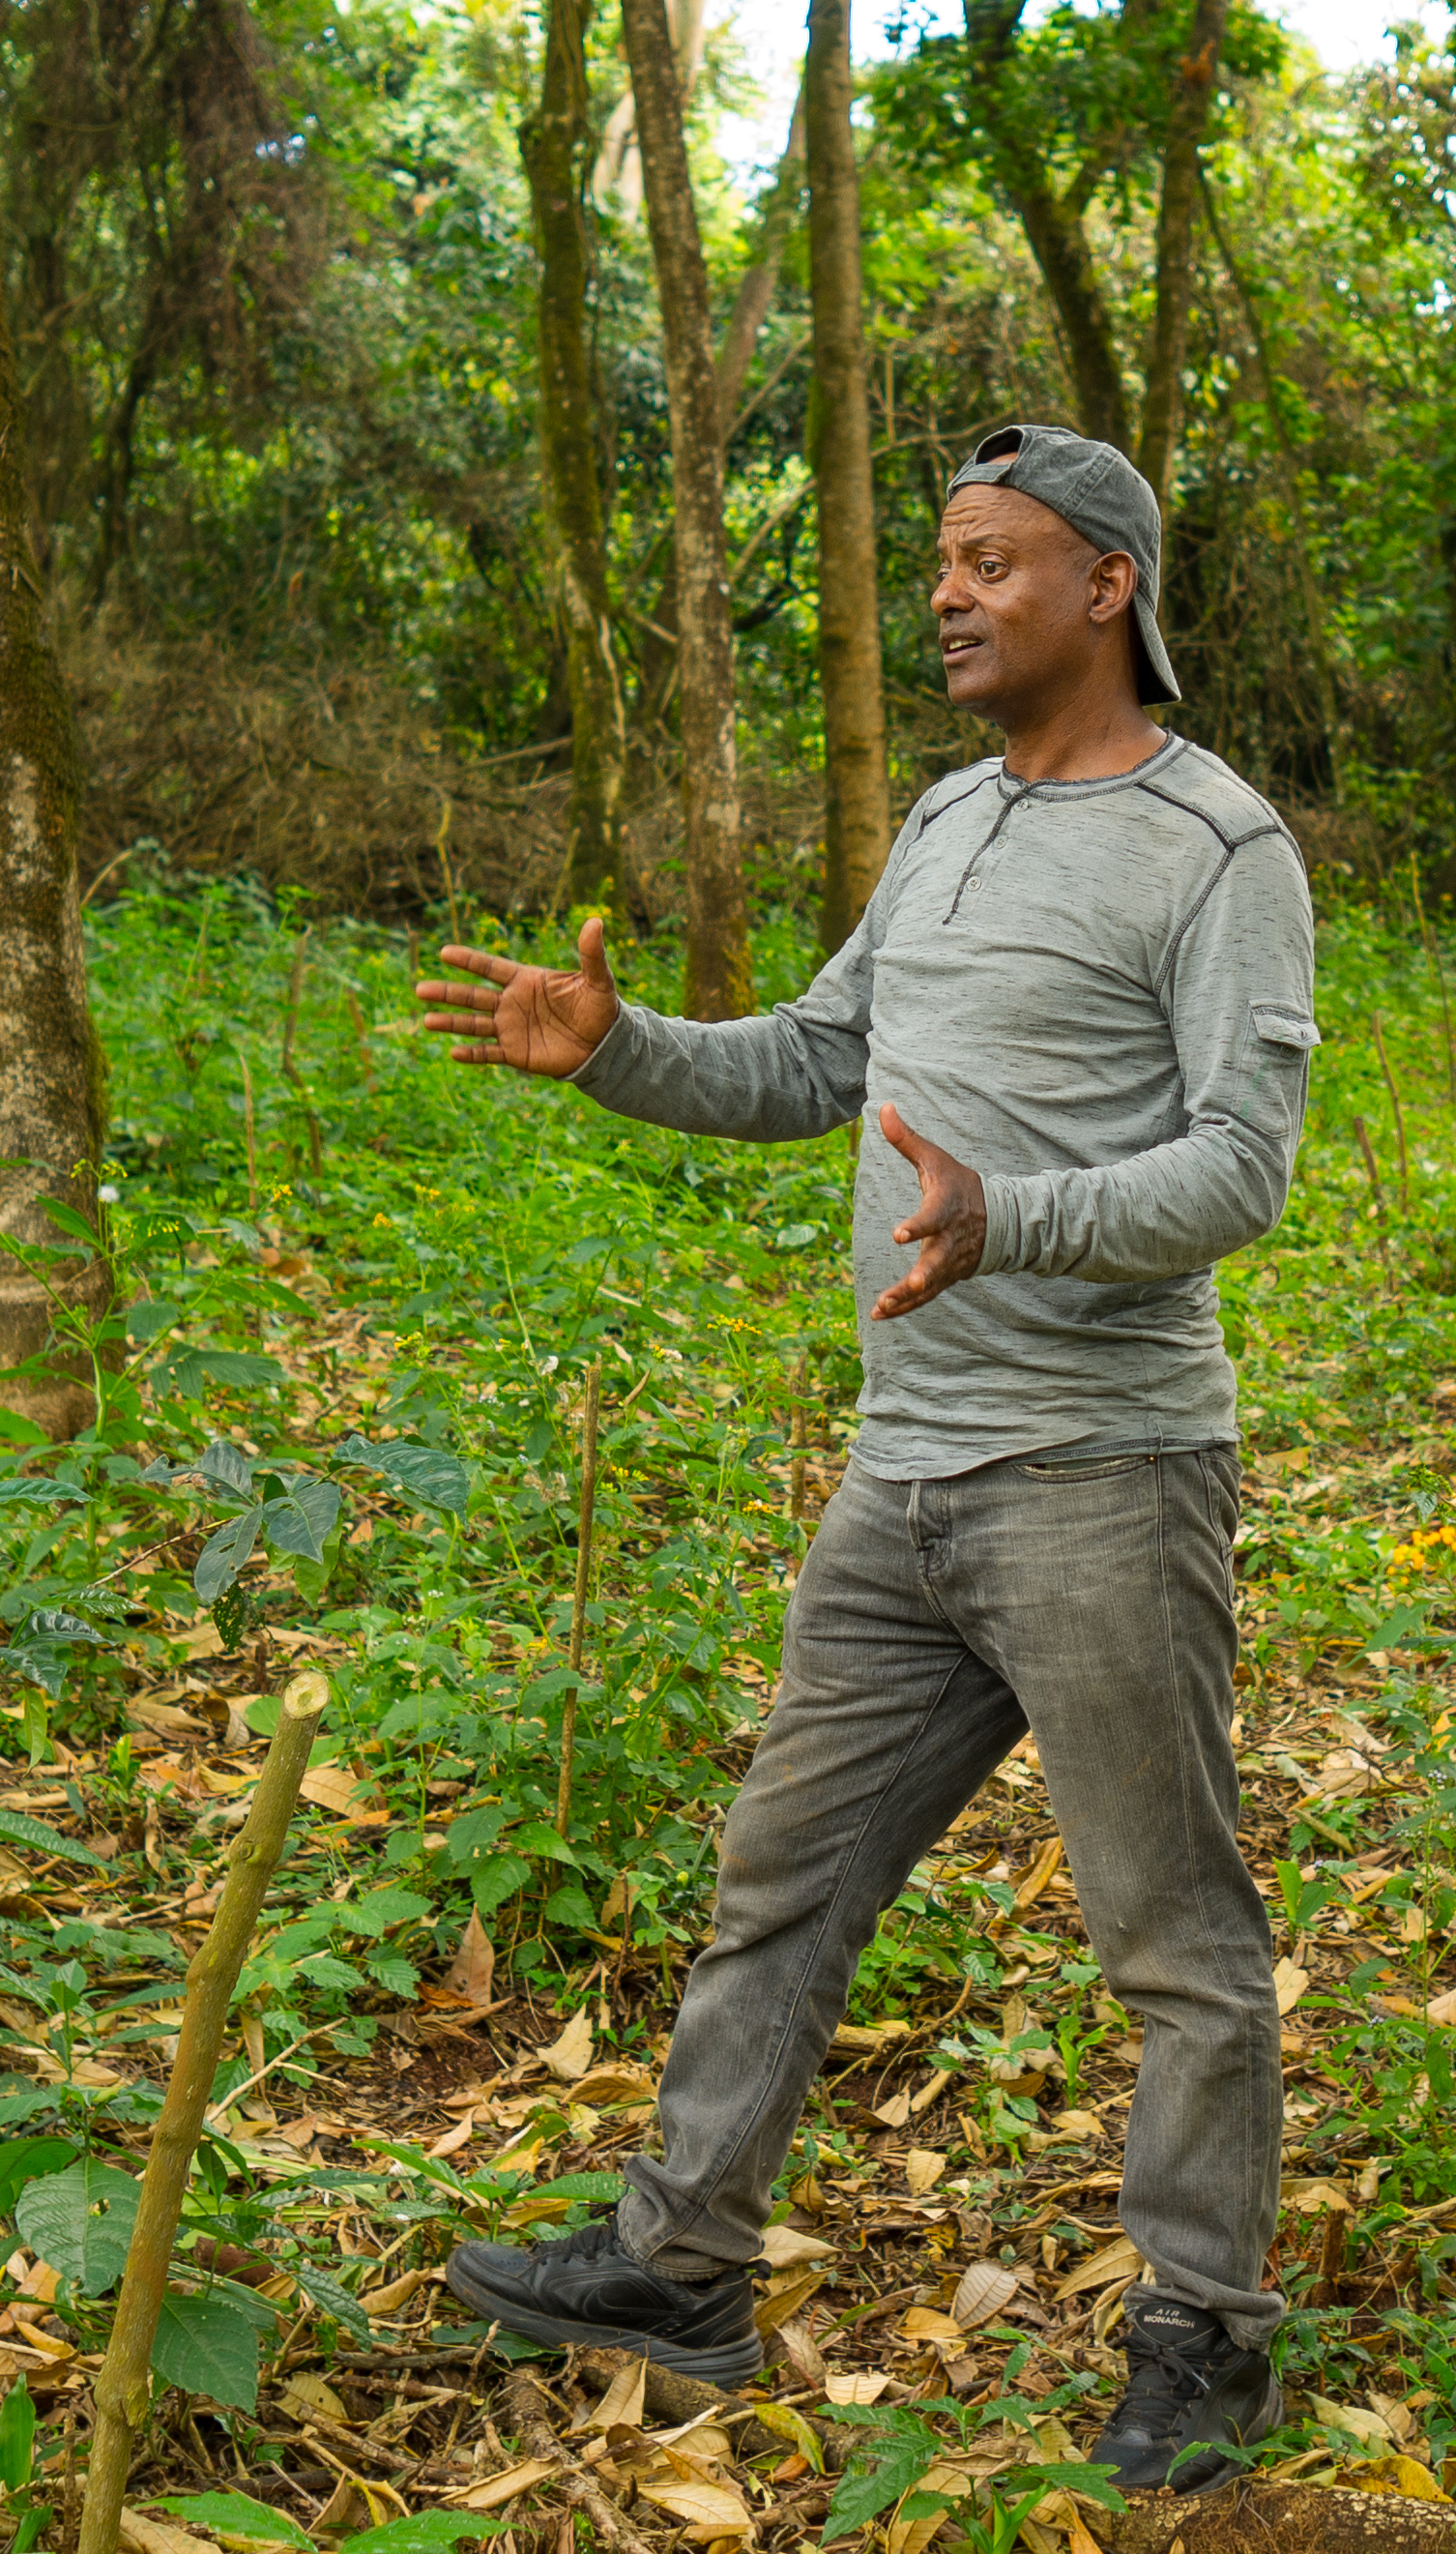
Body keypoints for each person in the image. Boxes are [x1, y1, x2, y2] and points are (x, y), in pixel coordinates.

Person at [407, 423, 1318, 2493]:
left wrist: (1023, 1215)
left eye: (992, 562)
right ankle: (678, 2265)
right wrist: (616, 1052)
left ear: (1108, 587)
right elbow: (828, 1059)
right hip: (906, 1479)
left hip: (1104, 1471)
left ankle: (1204, 2332)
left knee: (1172, 1936)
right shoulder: (943, 824)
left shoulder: (1220, 849)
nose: (947, 596)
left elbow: (1242, 1170)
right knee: (780, 1884)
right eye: (939, 566)